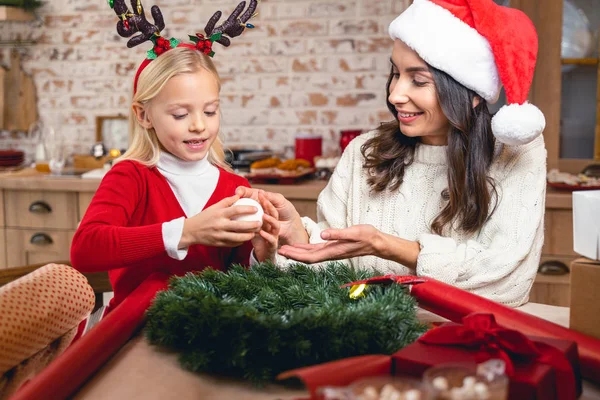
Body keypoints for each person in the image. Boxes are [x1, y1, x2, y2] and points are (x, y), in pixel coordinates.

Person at [237, 0, 547, 307]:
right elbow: (335, 278)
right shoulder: (364, 152)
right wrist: (293, 238)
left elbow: (507, 283)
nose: (395, 94)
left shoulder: (515, 155)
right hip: (370, 338)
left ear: (471, 92)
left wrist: (385, 245)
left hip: (471, 342)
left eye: (418, 80)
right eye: (396, 73)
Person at [70, 0, 279, 312]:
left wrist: (261, 255)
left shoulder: (233, 184)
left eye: (210, 111)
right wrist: (187, 231)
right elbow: (86, 249)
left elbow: (241, 281)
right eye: (180, 114)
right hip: (137, 332)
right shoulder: (132, 176)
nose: (199, 125)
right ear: (144, 116)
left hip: (209, 332)